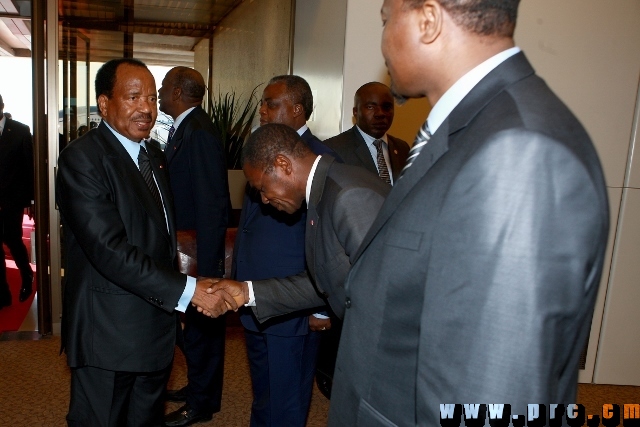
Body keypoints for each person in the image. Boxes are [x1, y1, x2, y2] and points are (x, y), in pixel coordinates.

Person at [327, 0, 610, 425]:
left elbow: (492, 394)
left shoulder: (518, 152)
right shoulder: (468, 131)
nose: (383, 42)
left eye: (386, 20)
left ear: (428, 20)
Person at [56, 58, 236, 426]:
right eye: (134, 96)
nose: (147, 108)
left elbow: (160, 237)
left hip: (155, 327)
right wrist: (188, 291)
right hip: (109, 334)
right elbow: (110, 251)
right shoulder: (83, 159)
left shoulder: (153, 155)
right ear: (104, 104)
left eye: (152, 98)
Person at [206, 121, 388, 350]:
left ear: (283, 165)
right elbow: (328, 283)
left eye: (262, 188)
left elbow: (385, 295)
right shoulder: (325, 192)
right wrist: (247, 292)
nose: (263, 199)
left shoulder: (348, 196)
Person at [231, 75, 335, 426]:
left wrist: (321, 308)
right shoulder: (261, 152)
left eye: (271, 103)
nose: (262, 109)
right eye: (262, 102)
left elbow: (327, 244)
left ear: (296, 109)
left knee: (287, 398)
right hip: (254, 293)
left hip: (294, 302)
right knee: (264, 391)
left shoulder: (320, 161)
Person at [159, 66, 230, 427]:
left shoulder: (198, 133)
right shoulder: (186, 128)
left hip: (198, 255)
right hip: (187, 252)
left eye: (162, 85)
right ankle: (200, 389)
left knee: (202, 332)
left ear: (177, 92)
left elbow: (211, 204)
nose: (158, 91)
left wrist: (209, 267)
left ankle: (202, 404)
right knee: (191, 330)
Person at [324, 82, 409, 185]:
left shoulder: (403, 148)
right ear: (355, 112)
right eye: (370, 107)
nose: (380, 113)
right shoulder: (333, 149)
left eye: (386, 107)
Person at [0, 95, 34, 308]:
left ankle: (26, 274)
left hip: (12, 199)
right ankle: (3, 294)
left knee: (13, 240)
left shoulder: (20, 131)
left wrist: (31, 200)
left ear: (2, 106)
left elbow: (29, 167)